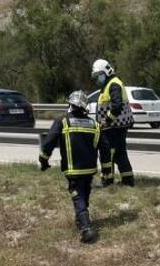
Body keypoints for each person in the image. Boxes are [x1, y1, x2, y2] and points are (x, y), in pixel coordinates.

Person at [40, 90, 110, 244]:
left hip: (73, 170)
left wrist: (43, 160)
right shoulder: (95, 125)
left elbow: (48, 142)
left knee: (77, 194)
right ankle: (80, 220)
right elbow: (105, 149)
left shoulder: (62, 121)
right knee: (84, 193)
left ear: (70, 105)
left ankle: (86, 228)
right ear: (85, 107)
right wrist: (107, 173)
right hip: (89, 170)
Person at [91, 58, 134, 187]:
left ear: (106, 72)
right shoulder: (110, 84)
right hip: (116, 127)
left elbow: (116, 106)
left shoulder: (113, 84)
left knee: (107, 154)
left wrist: (107, 120)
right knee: (120, 154)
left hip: (114, 127)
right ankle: (128, 181)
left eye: (99, 75)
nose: (98, 78)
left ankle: (107, 181)